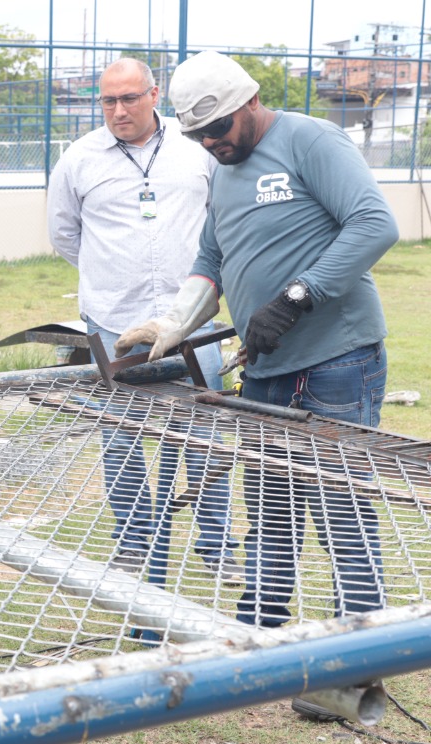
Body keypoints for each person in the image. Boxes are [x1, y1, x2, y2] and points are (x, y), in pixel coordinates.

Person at [117, 50, 398, 627]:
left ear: (251, 101)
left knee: (340, 509)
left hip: (336, 362)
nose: (211, 142)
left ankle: (358, 642)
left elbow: (374, 224)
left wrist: (297, 296)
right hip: (267, 368)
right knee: (270, 508)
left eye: (219, 127)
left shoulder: (309, 141)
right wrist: (175, 323)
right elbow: (211, 259)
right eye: (197, 135)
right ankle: (259, 628)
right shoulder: (223, 171)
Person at [47, 58, 235, 582]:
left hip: (192, 320)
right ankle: (132, 542)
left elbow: (221, 217)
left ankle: (217, 544)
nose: (118, 110)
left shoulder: (196, 149)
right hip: (114, 321)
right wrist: (111, 278)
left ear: (154, 95)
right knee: (122, 439)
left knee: (205, 433)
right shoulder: (79, 159)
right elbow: (64, 235)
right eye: (108, 101)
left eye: (129, 98)